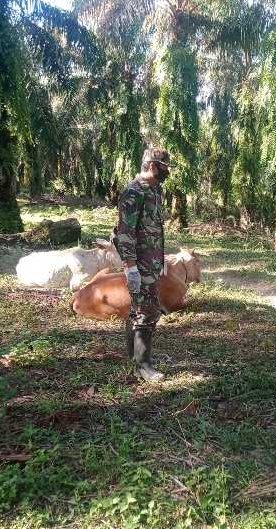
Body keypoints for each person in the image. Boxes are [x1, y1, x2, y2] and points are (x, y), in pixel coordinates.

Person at [115, 147, 176, 382]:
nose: (167, 173)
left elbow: (154, 229)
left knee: (138, 310)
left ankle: (134, 358)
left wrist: (160, 261)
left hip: (151, 261)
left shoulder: (154, 190)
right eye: (165, 168)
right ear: (153, 166)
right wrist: (130, 267)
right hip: (139, 263)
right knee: (147, 312)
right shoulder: (133, 192)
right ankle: (143, 366)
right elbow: (125, 232)